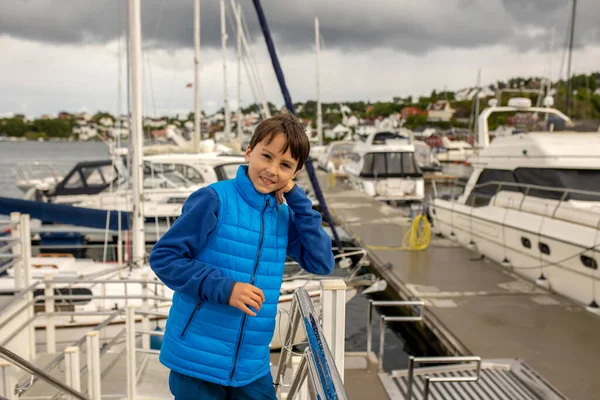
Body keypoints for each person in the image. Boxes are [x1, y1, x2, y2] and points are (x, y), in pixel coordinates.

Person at [149, 110, 335, 399]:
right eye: (267, 156)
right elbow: (164, 257)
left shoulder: (282, 215)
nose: (272, 170)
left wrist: (298, 200)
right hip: (197, 361)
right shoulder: (213, 199)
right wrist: (225, 289)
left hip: (252, 365)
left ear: (294, 174)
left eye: (285, 165)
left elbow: (322, 262)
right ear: (249, 152)